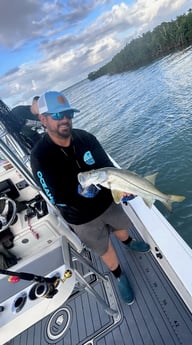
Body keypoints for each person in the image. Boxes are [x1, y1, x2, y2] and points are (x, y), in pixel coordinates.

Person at [30, 91, 150, 305]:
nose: (65, 119)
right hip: (81, 218)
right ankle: (119, 275)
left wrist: (123, 187)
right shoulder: (40, 156)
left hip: (107, 202)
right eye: (57, 115)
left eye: (68, 114)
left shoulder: (85, 137)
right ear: (43, 119)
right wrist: (78, 195)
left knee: (121, 226)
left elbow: (108, 167)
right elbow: (53, 195)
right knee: (104, 248)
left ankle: (129, 242)